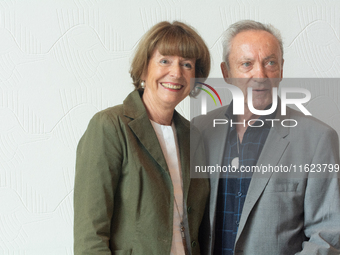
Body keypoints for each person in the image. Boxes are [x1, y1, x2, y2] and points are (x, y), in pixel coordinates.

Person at [192, 20, 340, 255]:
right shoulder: (198, 131)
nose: (260, 74)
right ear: (226, 73)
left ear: (281, 70)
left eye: (270, 63)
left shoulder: (318, 139)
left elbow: (328, 236)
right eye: (246, 64)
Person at [74, 21, 210, 255]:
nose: (176, 73)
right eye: (165, 60)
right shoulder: (110, 126)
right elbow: (90, 237)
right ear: (144, 68)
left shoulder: (194, 136)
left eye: (186, 64)